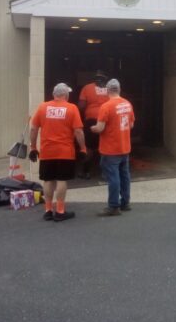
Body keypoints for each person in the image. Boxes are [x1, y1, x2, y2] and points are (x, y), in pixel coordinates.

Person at [29, 83, 87, 222]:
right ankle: (60, 211)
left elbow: (33, 129)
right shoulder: (71, 108)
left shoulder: (43, 107)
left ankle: (48, 210)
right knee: (61, 180)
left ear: (54, 94)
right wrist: (83, 148)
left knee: (48, 180)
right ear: (66, 95)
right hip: (65, 152)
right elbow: (78, 131)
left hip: (47, 151)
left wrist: (33, 147)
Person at [91, 79, 135, 216]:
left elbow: (100, 128)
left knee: (113, 177)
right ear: (119, 89)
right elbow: (131, 125)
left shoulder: (106, 106)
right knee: (124, 176)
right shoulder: (127, 104)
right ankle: (125, 203)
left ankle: (113, 206)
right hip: (124, 147)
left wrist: (92, 128)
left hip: (110, 149)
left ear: (107, 91)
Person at [78, 70, 110, 179]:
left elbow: (81, 106)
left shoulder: (87, 88)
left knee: (89, 148)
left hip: (91, 120)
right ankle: (105, 173)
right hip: (106, 120)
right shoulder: (110, 89)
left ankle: (85, 172)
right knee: (105, 146)